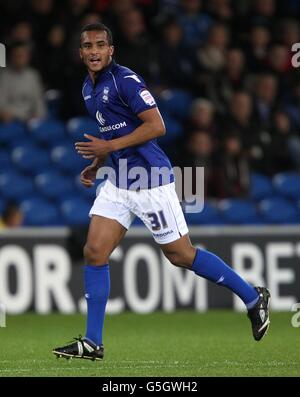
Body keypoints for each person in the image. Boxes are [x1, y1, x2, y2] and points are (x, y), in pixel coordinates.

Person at [52, 23, 270, 361]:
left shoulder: (124, 80)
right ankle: (94, 342)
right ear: (80, 52)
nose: (93, 51)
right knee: (94, 251)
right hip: (119, 181)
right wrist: (98, 163)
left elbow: (157, 125)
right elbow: (114, 131)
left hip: (150, 179)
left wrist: (108, 145)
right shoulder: (87, 88)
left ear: (111, 50)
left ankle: (253, 297)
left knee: (181, 255)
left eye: (100, 45)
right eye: (87, 46)